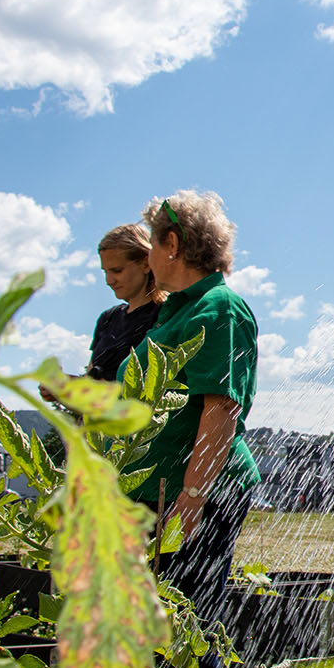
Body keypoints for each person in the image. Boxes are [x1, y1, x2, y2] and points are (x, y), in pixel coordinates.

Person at [124, 190, 260, 624]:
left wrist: (192, 497)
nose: (147, 261)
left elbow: (220, 409)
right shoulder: (177, 311)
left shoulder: (220, 309)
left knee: (184, 627)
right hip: (155, 491)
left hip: (190, 496)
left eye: (151, 246)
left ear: (173, 245)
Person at [87, 224, 164, 381]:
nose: (109, 281)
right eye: (105, 272)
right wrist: (61, 389)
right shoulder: (107, 318)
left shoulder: (165, 314)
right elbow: (89, 395)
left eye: (117, 271)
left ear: (145, 264)